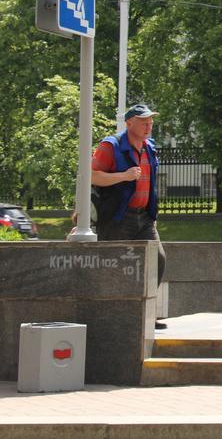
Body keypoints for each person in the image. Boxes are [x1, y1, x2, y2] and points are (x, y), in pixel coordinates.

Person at [91, 103, 167, 329]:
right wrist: (124, 176)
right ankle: (111, 316)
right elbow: (91, 176)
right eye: (144, 122)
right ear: (129, 123)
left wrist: (152, 213)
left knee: (158, 260)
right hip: (117, 217)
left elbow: (150, 183)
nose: (149, 126)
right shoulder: (110, 145)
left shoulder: (149, 147)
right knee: (113, 265)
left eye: (151, 122)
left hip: (144, 218)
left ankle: (146, 314)